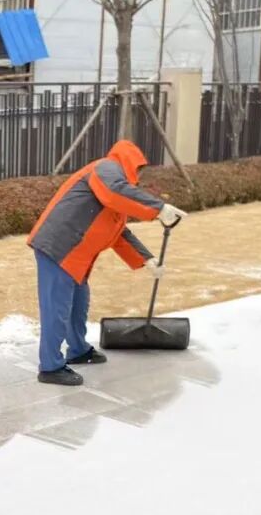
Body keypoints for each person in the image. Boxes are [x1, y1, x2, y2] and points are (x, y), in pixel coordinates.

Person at [27, 140, 186, 386]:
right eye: (138, 168)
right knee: (56, 310)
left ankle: (77, 350)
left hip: (76, 256)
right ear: (129, 162)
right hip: (58, 248)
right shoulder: (107, 169)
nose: (139, 174)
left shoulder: (116, 194)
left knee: (78, 305)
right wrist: (158, 209)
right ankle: (50, 367)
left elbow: (119, 232)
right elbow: (114, 191)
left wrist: (147, 259)